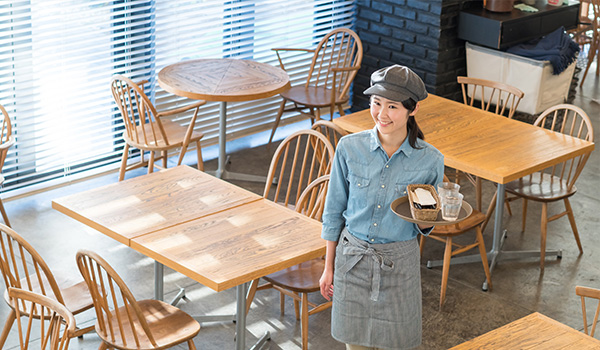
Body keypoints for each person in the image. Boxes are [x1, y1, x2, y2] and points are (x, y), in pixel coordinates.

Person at [319, 65, 444, 350]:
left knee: (398, 344)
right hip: (352, 260)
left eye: (392, 106)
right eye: (376, 103)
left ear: (412, 110)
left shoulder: (430, 160)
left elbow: (424, 225)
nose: (382, 114)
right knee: (355, 345)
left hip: (399, 265)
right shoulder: (349, 148)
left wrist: (429, 220)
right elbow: (333, 211)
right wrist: (329, 267)